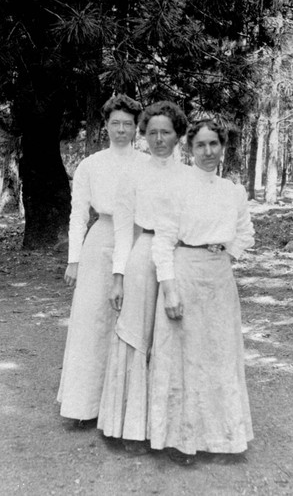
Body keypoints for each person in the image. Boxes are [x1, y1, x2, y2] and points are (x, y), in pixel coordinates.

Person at [149, 118, 255, 465]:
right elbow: (162, 241)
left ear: (222, 147)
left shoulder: (233, 191)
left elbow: (245, 233)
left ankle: (224, 439)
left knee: (219, 355)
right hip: (185, 274)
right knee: (185, 357)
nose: (208, 152)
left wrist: (227, 251)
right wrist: (169, 290)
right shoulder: (176, 187)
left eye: (214, 144)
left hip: (219, 280)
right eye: (201, 145)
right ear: (190, 149)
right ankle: (183, 441)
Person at [97, 101, 189, 452]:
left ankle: (170, 432)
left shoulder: (190, 175)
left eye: (166, 132)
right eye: (152, 133)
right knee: (137, 337)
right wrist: (118, 277)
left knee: (173, 342)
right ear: (143, 136)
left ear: (178, 134)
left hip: (179, 260)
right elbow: (123, 231)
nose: (159, 139)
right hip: (141, 256)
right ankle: (131, 428)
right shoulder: (132, 175)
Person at [57, 94, 149, 425]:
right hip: (100, 241)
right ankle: (83, 407)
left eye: (128, 124)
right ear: (105, 125)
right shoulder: (91, 165)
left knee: (131, 320)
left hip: (138, 240)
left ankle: (127, 409)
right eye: (115, 124)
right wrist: (74, 259)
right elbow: (78, 214)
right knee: (93, 319)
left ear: (136, 127)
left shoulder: (147, 164)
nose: (121, 130)